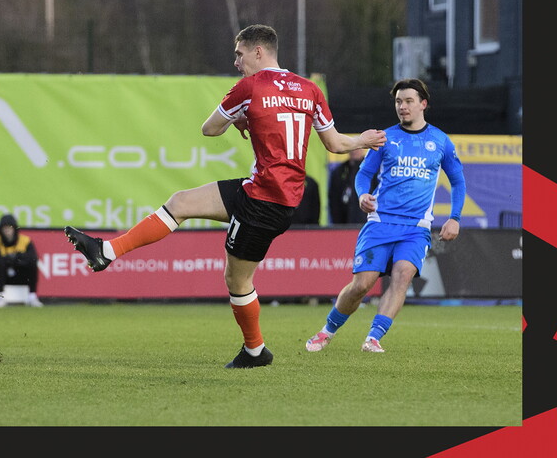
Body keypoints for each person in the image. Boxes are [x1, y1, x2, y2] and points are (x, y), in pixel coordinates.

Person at [64, 24, 386, 369]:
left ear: (258, 52)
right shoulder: (309, 90)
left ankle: (255, 351)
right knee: (181, 202)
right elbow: (336, 144)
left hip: (263, 201)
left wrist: (240, 118)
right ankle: (106, 251)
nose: (236, 61)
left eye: (239, 53)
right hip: (274, 193)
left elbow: (209, 128)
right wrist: (362, 141)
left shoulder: (250, 87)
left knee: (237, 279)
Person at [305, 78, 465, 353]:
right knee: (361, 285)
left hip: (416, 227)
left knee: (402, 276)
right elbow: (365, 174)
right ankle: (326, 331)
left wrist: (455, 217)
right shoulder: (385, 137)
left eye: (408, 101)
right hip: (380, 223)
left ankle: (374, 337)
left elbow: (458, 181)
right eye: (398, 102)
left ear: (423, 104)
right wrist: (362, 194)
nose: (402, 107)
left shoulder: (440, 141)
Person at [0, 214, 43, 308]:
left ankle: (32, 296)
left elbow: (33, 258)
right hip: (1, 276)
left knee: (32, 264)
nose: (7, 231)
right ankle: (0, 296)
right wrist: (9, 259)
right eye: (5, 228)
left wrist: (16, 258)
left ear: (14, 229)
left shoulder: (25, 241)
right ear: (1, 230)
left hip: (19, 274)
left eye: (9, 228)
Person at [328, 147, 370, 225]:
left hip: (365, 218)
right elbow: (333, 197)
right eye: (353, 148)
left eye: (358, 149)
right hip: (343, 220)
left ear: (363, 150)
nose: (355, 151)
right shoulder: (339, 171)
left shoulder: (370, 170)